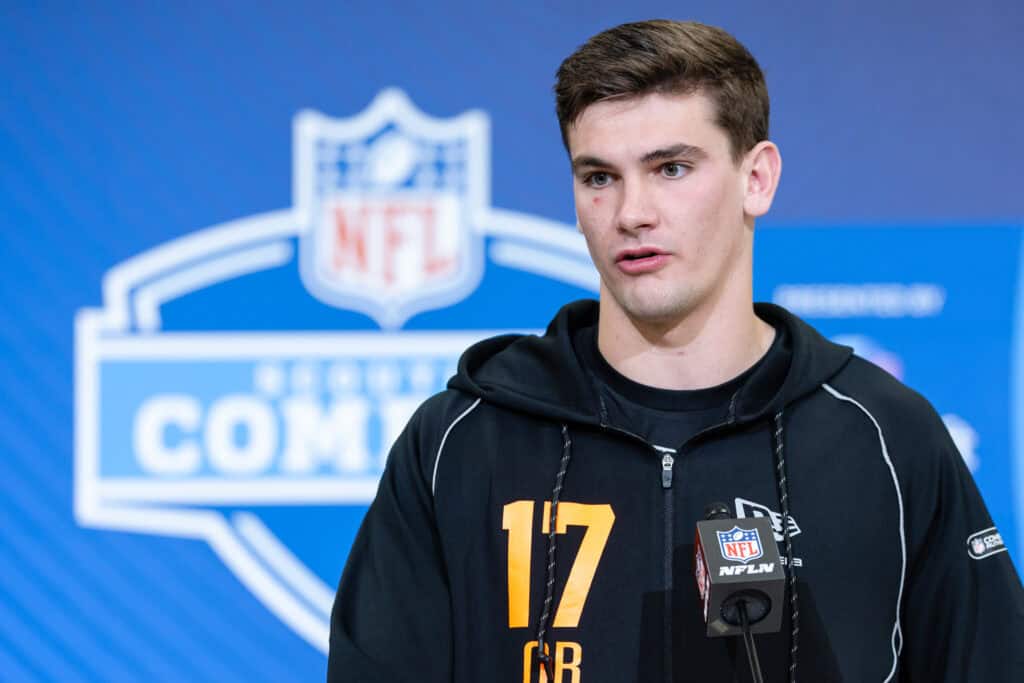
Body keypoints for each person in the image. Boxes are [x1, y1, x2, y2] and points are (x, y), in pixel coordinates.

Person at [327, 19, 1024, 682]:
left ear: (757, 178)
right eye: (599, 177)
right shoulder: (461, 441)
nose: (632, 213)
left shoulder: (884, 434)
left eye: (671, 168)